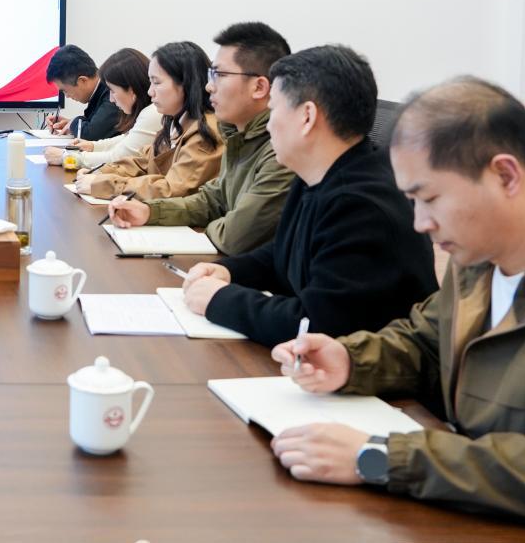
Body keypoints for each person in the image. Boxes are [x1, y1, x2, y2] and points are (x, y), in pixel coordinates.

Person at [268, 77, 525, 520]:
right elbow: (425, 341)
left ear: (505, 175)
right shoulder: (480, 253)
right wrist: (350, 361)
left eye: (430, 198)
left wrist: (381, 458)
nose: (420, 223)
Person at [181, 45, 436, 346]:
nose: (269, 124)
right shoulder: (319, 174)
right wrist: (229, 271)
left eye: (274, 109)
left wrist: (220, 301)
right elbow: (285, 252)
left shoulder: (360, 205)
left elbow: (317, 324)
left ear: (307, 116)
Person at [104, 23, 295, 256]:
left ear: (259, 87)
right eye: (211, 75)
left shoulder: (281, 151)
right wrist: (149, 211)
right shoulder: (237, 135)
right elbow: (210, 201)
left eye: (220, 75)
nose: (209, 86)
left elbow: (233, 236)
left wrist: (213, 224)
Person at [74, 41, 222, 200]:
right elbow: (143, 161)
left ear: (186, 83)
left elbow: (171, 189)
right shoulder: (174, 122)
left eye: (156, 82)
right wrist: (101, 173)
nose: (150, 91)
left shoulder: (204, 133)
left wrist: (106, 184)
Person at [42, 48, 159, 169]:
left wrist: (66, 157)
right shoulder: (149, 112)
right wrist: (93, 146)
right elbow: (126, 139)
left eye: (112, 91)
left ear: (131, 89)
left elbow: (118, 158)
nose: (111, 99)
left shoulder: (152, 113)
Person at [42, 45, 123, 141]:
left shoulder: (112, 91)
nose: (67, 96)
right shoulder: (99, 90)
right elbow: (94, 125)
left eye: (64, 90)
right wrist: (70, 123)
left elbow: (91, 134)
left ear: (82, 80)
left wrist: (73, 123)